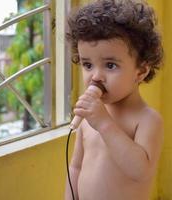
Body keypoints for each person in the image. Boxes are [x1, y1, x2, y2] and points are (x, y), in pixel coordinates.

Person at [65, 0, 164, 200]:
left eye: (110, 65)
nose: (96, 76)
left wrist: (104, 123)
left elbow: (141, 172)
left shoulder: (146, 119)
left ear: (141, 71)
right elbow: (75, 167)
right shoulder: (87, 117)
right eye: (87, 64)